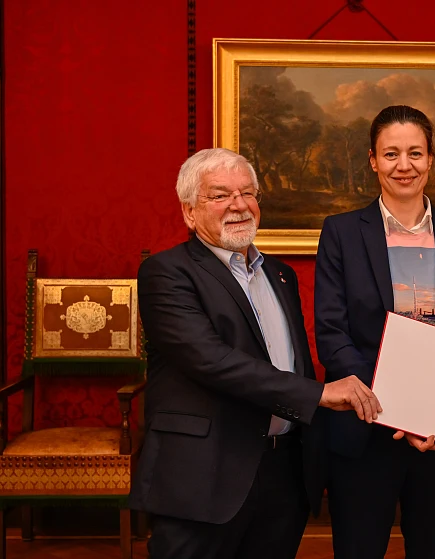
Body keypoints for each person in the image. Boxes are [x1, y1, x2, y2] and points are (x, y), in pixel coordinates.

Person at [128, 148, 381, 559]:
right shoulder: (167, 272)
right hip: (205, 476)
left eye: (248, 193)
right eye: (220, 195)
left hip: (283, 474)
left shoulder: (280, 275)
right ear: (190, 212)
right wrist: (317, 394)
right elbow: (212, 361)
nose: (238, 205)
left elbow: (290, 361)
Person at [315, 105, 435, 559]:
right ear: (373, 160)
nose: (404, 165)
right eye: (390, 153)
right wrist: (394, 410)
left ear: (431, 158)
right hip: (366, 429)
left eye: (415, 152)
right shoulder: (340, 233)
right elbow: (332, 334)